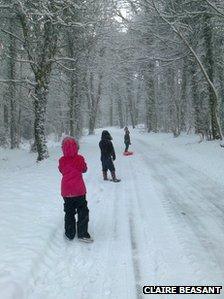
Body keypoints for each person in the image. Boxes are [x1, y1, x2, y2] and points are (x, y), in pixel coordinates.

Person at [58, 137, 93, 243]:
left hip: (66, 190)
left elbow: (61, 170)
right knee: (82, 210)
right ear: (77, 147)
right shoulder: (80, 158)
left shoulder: (62, 160)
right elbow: (84, 169)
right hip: (79, 190)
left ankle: (70, 233)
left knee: (69, 211)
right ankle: (82, 233)